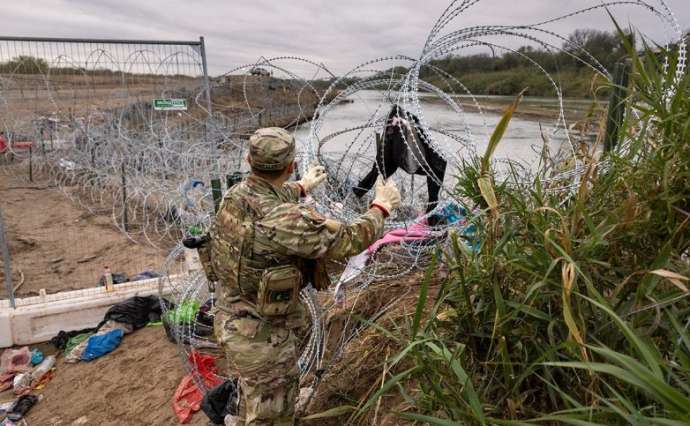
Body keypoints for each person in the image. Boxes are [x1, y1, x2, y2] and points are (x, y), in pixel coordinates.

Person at [203, 127, 401, 425]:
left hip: (232, 316)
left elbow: (266, 198)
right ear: (290, 166)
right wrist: (381, 207)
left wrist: (302, 187)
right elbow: (349, 239)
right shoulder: (288, 219)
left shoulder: (235, 196)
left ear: (248, 160)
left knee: (254, 394)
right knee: (271, 413)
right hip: (263, 339)